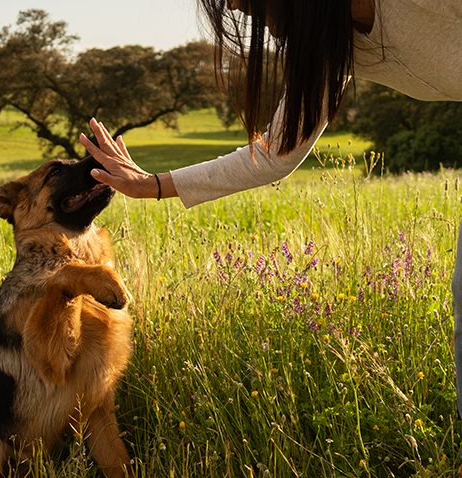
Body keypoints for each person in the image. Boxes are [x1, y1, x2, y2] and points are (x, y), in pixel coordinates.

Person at [79, 0, 462, 440]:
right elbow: (277, 152)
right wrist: (154, 184)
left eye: (255, 6)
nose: (254, 21)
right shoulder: (332, 41)